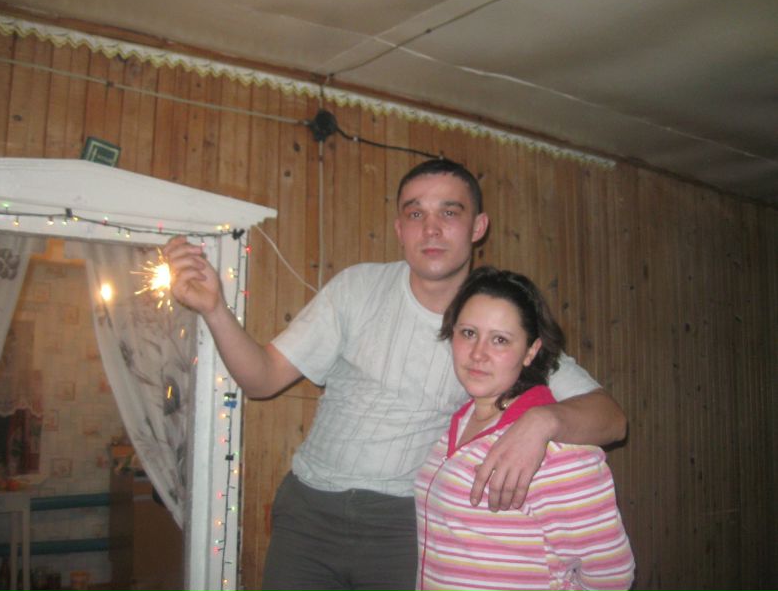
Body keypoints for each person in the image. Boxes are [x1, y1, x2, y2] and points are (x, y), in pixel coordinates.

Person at [163, 159, 627, 591]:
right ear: (399, 229)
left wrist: (542, 422)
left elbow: (612, 420)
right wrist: (215, 309)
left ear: (478, 227)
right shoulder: (357, 287)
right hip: (308, 511)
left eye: (449, 212)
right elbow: (261, 379)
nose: (431, 228)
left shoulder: (495, 321)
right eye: (415, 213)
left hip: (406, 526)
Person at [415, 266, 634, 590]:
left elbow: (612, 578)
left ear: (531, 351)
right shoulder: (460, 422)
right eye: (469, 333)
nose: (478, 354)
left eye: (500, 340)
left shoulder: (559, 454)